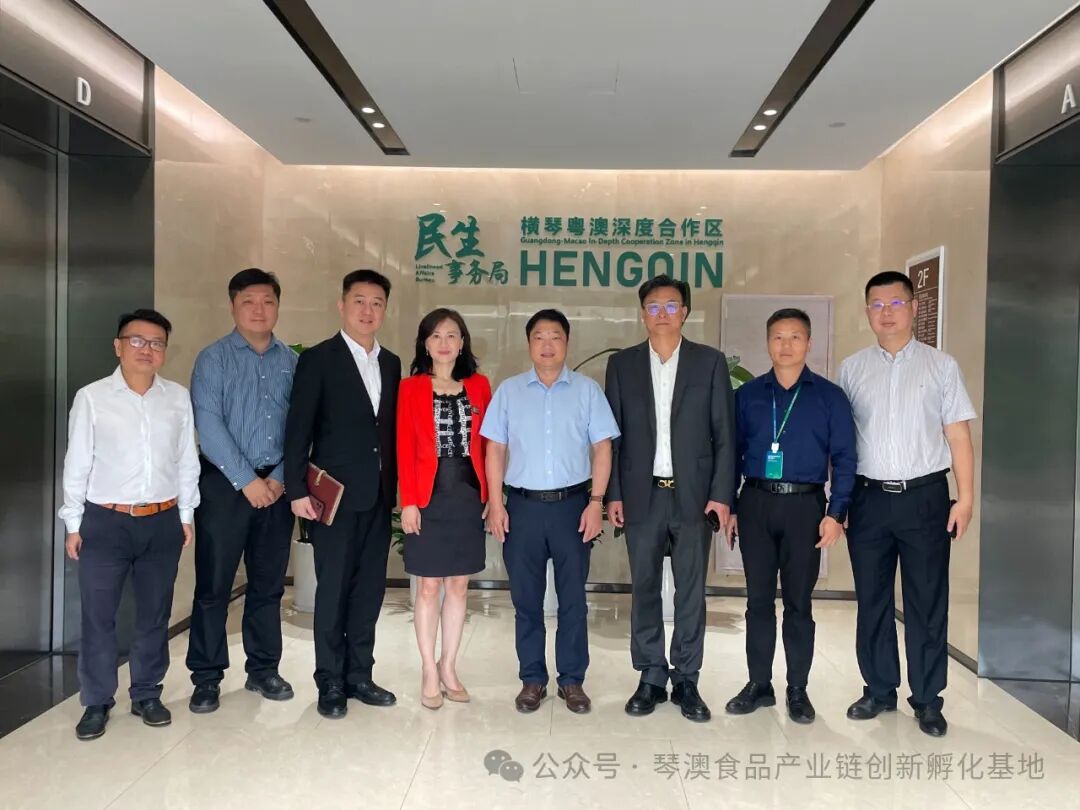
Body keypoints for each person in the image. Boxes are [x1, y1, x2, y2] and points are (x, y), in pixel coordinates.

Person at [839, 271, 976, 738]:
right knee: (872, 600)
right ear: (867, 312)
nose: (887, 313)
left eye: (895, 303)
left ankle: (928, 699)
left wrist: (965, 499)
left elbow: (959, 437)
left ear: (914, 307)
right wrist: (839, 503)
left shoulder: (941, 366)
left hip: (925, 499)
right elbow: (842, 444)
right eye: (877, 305)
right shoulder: (852, 369)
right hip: (868, 500)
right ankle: (879, 689)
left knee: (927, 601)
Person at [59, 309, 199, 741]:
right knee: (98, 615)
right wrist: (73, 521)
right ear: (118, 346)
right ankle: (97, 700)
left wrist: (186, 515)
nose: (146, 349)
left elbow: (186, 460)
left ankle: (146, 693)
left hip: (162, 520)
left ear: (164, 351)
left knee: (154, 613)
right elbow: (77, 462)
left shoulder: (177, 398)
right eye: (137, 340)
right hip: (105, 521)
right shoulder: (92, 397)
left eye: (156, 343)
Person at [604, 275, 736, 723]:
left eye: (671, 306)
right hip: (641, 495)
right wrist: (614, 494)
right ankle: (651, 675)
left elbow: (725, 434)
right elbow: (614, 437)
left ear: (685, 313)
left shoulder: (709, 362)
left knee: (691, 591)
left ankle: (686, 679)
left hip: (694, 498)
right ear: (643, 314)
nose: (662, 313)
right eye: (653, 306)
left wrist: (721, 495)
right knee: (643, 587)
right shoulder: (622, 365)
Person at [481, 309, 620, 715]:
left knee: (573, 598)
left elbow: (602, 448)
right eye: (539, 337)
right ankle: (532, 679)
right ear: (529, 344)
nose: (547, 345)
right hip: (521, 507)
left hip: (573, 507)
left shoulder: (587, 391)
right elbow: (495, 449)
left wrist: (596, 503)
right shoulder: (509, 391)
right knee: (526, 599)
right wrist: (495, 502)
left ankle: (572, 680)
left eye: (555, 336)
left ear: (567, 343)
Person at [724, 308, 856, 724]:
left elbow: (845, 458)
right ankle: (758, 684)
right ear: (767, 343)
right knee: (758, 601)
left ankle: (797, 689)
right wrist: (730, 505)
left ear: (809, 343)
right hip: (756, 503)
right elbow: (731, 454)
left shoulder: (829, 397)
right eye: (778, 337)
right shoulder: (748, 395)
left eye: (795, 337)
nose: (786, 345)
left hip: (806, 508)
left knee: (799, 602)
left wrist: (836, 513)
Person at [283, 269, 401, 719]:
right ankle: (330, 680)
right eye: (359, 301)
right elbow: (298, 431)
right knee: (332, 591)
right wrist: (296, 490)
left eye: (376, 303)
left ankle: (360, 675)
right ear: (342, 305)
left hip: (378, 498)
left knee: (368, 591)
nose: (367, 311)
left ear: (384, 310)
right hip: (331, 501)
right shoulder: (319, 359)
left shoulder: (391, 363)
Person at [185, 269, 297, 713]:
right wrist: (247, 481)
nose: (258, 309)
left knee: (268, 585)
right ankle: (206, 677)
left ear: (278, 306)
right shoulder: (213, 359)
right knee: (214, 585)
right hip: (224, 485)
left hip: (277, 486)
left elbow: (302, 427)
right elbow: (208, 424)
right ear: (233, 306)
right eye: (249, 301)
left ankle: (264, 669)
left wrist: (279, 478)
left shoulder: (293, 362)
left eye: (267, 301)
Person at [397, 309, 492, 710]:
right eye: (435, 335)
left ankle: (448, 665)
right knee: (428, 587)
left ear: (463, 342)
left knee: (458, 586)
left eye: (452, 335)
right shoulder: (410, 388)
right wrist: (408, 502)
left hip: (468, 496)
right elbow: (404, 446)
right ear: (425, 343)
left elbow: (491, 446)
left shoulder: (480, 385)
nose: (444, 343)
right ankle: (428, 669)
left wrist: (493, 497)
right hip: (428, 496)